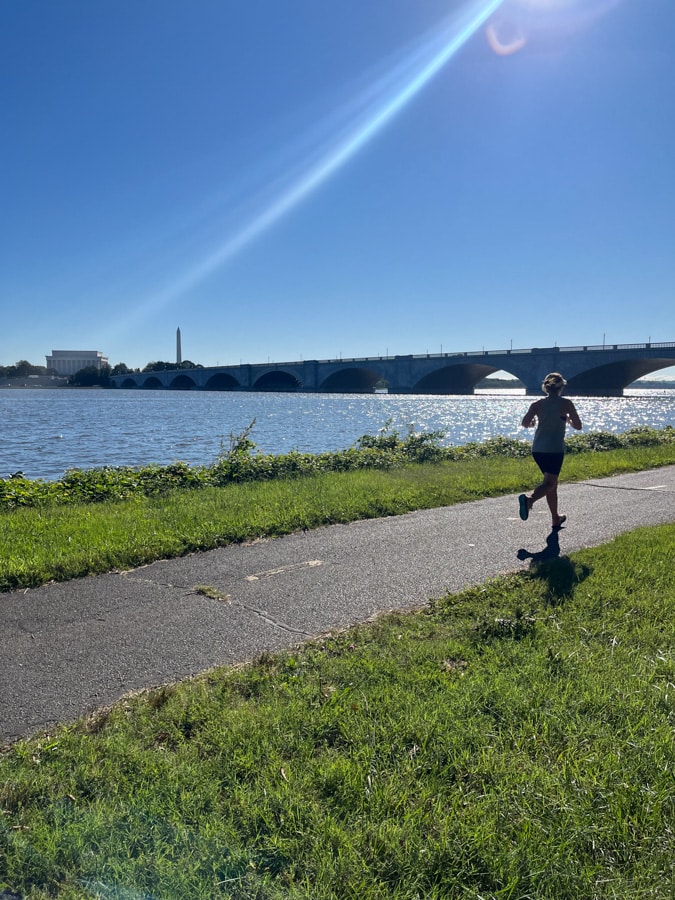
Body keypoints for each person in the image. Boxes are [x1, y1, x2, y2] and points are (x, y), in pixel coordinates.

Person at [518, 372, 582, 529]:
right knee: (550, 483)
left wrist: (533, 423)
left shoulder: (537, 404)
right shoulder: (566, 403)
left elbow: (525, 423)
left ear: (546, 388)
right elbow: (578, 425)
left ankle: (555, 518)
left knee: (551, 483)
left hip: (538, 449)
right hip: (554, 449)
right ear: (561, 387)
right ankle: (529, 500)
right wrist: (567, 420)